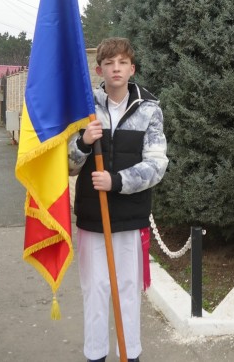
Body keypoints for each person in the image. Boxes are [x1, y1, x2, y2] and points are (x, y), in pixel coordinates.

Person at [68, 37, 168, 362]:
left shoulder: (149, 109)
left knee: (127, 290)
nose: (116, 68)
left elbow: (157, 165)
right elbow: (67, 166)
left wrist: (117, 181)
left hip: (130, 217)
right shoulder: (85, 109)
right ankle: (95, 354)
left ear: (132, 68)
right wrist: (83, 143)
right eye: (109, 63)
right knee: (94, 290)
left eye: (122, 62)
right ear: (99, 69)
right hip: (92, 217)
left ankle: (130, 354)